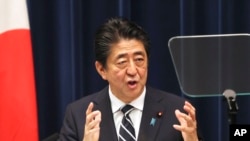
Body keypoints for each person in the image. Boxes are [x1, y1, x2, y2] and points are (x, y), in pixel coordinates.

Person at [58, 17, 203, 141]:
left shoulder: (178, 111)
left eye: (139, 59)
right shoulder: (78, 115)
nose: (133, 71)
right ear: (102, 70)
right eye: (122, 63)